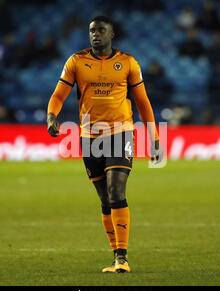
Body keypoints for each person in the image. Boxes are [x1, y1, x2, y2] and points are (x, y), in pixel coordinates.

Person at [46, 15, 163, 273]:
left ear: (112, 35)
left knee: (115, 191)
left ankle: (123, 257)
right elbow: (58, 94)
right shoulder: (76, 61)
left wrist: (155, 138)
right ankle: (115, 257)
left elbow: (143, 103)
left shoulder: (128, 63)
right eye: (91, 30)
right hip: (89, 137)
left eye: (101, 30)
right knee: (104, 200)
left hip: (120, 132)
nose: (95, 34)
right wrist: (52, 116)